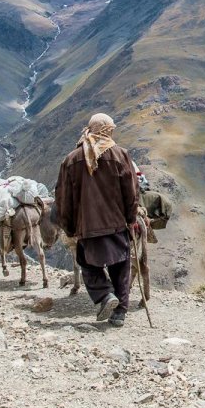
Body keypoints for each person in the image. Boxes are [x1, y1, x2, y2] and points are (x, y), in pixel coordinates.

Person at [55, 113, 142, 327]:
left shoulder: (71, 160)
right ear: (108, 130)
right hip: (117, 223)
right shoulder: (120, 155)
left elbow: (63, 197)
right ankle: (119, 312)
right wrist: (130, 218)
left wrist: (69, 227)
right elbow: (132, 191)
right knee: (120, 266)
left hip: (87, 225)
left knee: (87, 263)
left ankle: (104, 294)